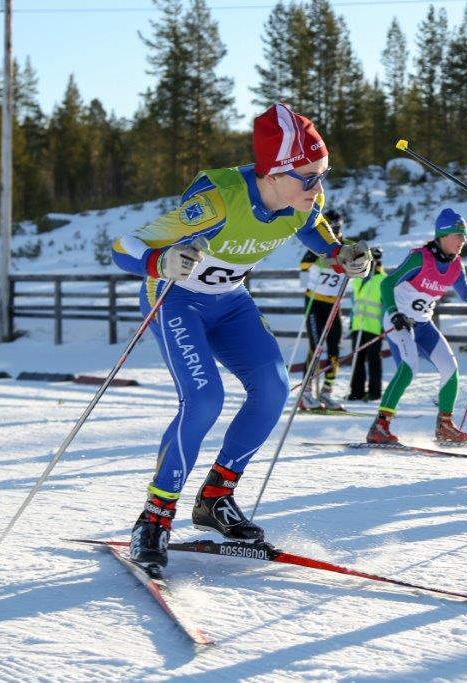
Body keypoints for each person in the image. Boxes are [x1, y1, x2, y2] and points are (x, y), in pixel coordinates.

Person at [111, 103, 371, 570]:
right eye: (309, 177)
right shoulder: (217, 201)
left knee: (273, 389)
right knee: (204, 399)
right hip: (177, 300)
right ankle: (154, 515)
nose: (318, 188)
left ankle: (215, 497)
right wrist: (159, 262)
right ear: (271, 174)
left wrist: (341, 254)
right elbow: (124, 246)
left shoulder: (301, 200)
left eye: (324, 175)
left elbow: (315, 232)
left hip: (230, 302)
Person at [366, 209, 467, 445]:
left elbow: (466, 294)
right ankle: (380, 426)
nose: (463, 241)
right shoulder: (420, 259)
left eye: (464, 236)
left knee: (450, 368)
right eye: (459, 235)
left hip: (423, 324)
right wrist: (394, 313)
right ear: (443, 235)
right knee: (408, 368)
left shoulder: (456, 266)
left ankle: (445, 426)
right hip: (400, 321)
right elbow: (387, 283)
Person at [298, 208, 349, 411]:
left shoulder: (345, 247)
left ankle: (327, 392)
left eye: (335, 228)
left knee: (335, 348)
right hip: (314, 302)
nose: (333, 232)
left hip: (334, 304)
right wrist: (322, 259)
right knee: (316, 346)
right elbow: (303, 268)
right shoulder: (317, 247)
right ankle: (306, 393)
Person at [348, 246, 387, 401]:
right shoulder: (358, 279)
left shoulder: (382, 280)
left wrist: (384, 326)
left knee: (373, 361)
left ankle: (374, 392)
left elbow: (385, 306)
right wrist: (351, 322)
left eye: (375, 260)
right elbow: (354, 303)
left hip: (374, 327)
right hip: (358, 325)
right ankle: (356, 391)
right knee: (357, 360)